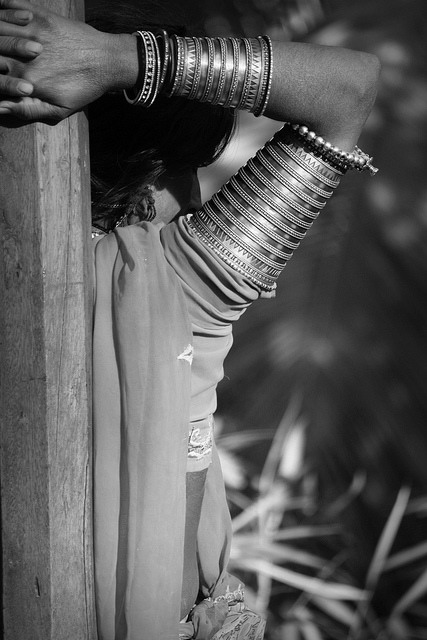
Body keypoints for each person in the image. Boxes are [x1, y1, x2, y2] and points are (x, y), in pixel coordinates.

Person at [0, 1, 380, 638]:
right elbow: (350, 87)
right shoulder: (183, 280)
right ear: (136, 175)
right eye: (185, 172)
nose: (199, 198)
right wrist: (118, 61)